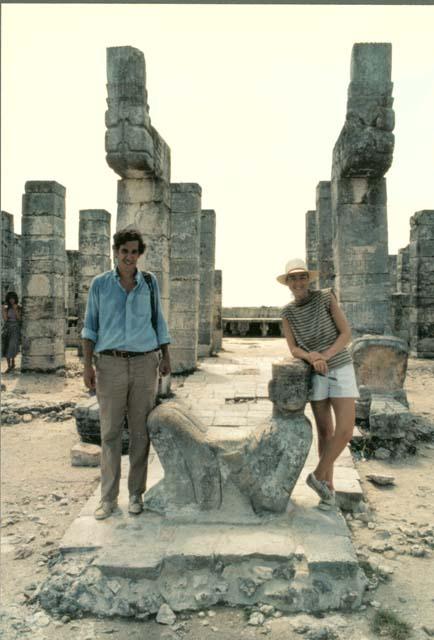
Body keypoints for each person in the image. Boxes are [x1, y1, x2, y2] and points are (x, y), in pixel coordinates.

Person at [82, 227, 171, 520]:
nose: (129, 257)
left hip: (146, 363)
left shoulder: (149, 282)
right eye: (124, 251)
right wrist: (86, 366)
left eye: (134, 252)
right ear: (115, 252)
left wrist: (166, 356)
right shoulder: (100, 285)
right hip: (109, 364)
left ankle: (136, 494)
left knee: (140, 432)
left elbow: (158, 321)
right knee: (109, 433)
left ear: (139, 254)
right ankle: (108, 498)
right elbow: (90, 327)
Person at [277, 258, 359, 509]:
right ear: (287, 283)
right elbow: (293, 348)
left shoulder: (325, 297)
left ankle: (316, 475)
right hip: (316, 371)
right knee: (325, 432)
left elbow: (345, 333)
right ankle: (327, 488)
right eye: (293, 278)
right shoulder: (287, 312)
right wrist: (311, 356)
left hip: (340, 365)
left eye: (302, 277)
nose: (298, 282)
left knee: (345, 430)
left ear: (309, 279)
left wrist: (325, 355)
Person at [2, 291, 22, 373]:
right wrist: (3, 311)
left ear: (15, 299)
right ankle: (9, 365)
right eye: (10, 299)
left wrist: (15, 309)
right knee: (6, 346)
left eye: (13, 298)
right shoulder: (7, 308)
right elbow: (6, 319)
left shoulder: (19, 307)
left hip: (15, 328)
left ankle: (13, 363)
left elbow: (19, 319)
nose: (11, 300)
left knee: (12, 346)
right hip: (8, 328)